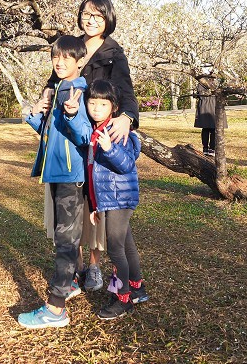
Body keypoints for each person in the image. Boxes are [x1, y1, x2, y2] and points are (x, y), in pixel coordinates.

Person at [44, 0, 139, 293]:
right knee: (73, 205)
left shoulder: (114, 52)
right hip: (70, 135)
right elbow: (55, 78)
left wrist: (127, 117)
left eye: (98, 14)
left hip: (96, 132)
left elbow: (124, 90)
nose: (91, 19)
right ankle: (77, 266)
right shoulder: (71, 46)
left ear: (108, 18)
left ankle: (95, 267)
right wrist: (46, 94)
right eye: (87, 13)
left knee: (96, 200)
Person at [18, 35, 91, 329]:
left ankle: (56, 309)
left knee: (66, 240)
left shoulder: (76, 91)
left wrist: (73, 115)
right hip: (58, 173)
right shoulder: (60, 88)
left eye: (66, 58)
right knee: (65, 239)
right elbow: (52, 135)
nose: (59, 63)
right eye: (55, 57)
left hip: (71, 177)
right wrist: (34, 115)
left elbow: (84, 135)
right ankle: (71, 282)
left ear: (79, 61)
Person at [64, 79, 146, 320]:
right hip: (109, 199)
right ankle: (137, 287)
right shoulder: (95, 130)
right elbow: (93, 173)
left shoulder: (119, 131)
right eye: (92, 103)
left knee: (116, 247)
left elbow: (126, 164)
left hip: (121, 197)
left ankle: (123, 299)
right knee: (127, 245)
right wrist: (95, 204)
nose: (97, 108)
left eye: (103, 104)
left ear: (114, 106)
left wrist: (110, 148)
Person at [194, 69, 224, 156]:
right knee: (212, 129)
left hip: (205, 107)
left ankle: (206, 148)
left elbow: (198, 95)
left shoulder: (201, 83)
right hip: (212, 107)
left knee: (206, 129)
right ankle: (210, 149)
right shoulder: (215, 84)